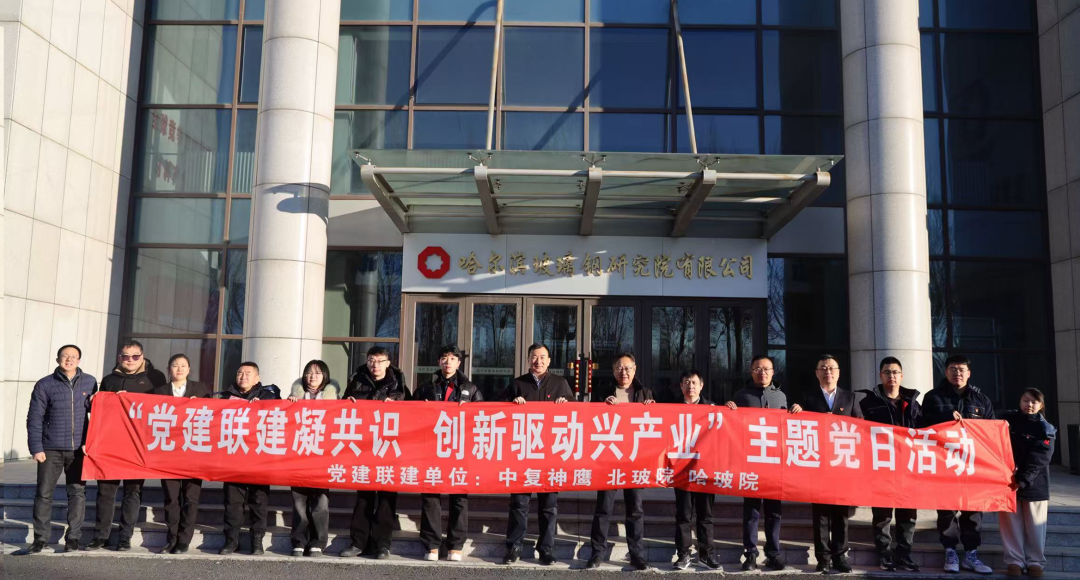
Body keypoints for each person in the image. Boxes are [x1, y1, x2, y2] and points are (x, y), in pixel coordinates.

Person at [87, 339, 168, 551]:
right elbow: (99, 412)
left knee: (133, 492)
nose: (130, 360)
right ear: (119, 357)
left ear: (142, 356)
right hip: (110, 443)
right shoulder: (109, 380)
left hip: (137, 445)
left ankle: (125, 536)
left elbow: (163, 407)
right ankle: (100, 536)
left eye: (135, 356)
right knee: (105, 492)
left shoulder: (155, 378)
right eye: (125, 356)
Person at [919, 354, 994, 575]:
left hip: (973, 465)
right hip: (944, 464)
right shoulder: (933, 397)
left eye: (961, 369)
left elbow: (992, 433)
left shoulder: (981, 399)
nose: (957, 373)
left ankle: (971, 554)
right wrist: (944, 416)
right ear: (946, 372)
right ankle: (950, 551)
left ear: (968, 373)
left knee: (973, 511)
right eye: (953, 369)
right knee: (947, 510)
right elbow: (921, 425)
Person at [502, 343, 573, 566]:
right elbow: (498, 412)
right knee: (519, 503)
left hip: (551, 454)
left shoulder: (560, 384)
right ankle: (514, 546)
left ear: (549, 361)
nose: (538, 361)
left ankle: (546, 548)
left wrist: (566, 405)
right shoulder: (518, 384)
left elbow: (575, 415)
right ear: (528, 359)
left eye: (543, 357)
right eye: (534, 357)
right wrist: (512, 404)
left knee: (549, 505)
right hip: (523, 454)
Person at [413, 345, 482, 562]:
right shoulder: (426, 386)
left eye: (452, 358)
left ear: (459, 363)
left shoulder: (470, 388)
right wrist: (420, 408)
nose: (448, 362)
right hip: (431, 449)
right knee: (430, 497)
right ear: (438, 362)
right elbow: (409, 413)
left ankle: (455, 546)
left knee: (459, 498)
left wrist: (470, 410)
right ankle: (432, 545)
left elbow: (482, 417)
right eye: (444, 358)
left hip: (459, 450)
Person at [794, 354, 862, 573]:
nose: (828, 372)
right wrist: (796, 412)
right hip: (818, 465)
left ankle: (840, 557)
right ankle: (823, 558)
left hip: (842, 464)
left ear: (839, 373)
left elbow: (861, 428)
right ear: (816, 373)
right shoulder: (807, 397)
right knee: (821, 514)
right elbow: (797, 428)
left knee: (841, 514)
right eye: (823, 368)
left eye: (832, 368)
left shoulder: (850, 398)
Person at [585, 353, 653, 571]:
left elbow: (654, 424)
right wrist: (602, 406)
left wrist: (652, 408)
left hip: (635, 458)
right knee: (604, 508)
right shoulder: (603, 392)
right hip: (609, 457)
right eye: (619, 368)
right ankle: (597, 553)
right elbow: (589, 419)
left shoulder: (645, 393)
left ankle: (636, 554)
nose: (624, 372)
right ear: (613, 370)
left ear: (635, 369)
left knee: (635, 508)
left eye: (628, 368)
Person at [339, 346, 408, 559]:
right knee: (363, 497)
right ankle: (358, 542)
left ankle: (382, 545)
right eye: (371, 360)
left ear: (388, 363)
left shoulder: (398, 383)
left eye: (379, 361)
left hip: (389, 448)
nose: (374, 365)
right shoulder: (357, 380)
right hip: (364, 447)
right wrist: (347, 403)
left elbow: (411, 412)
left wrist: (397, 405)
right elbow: (342, 408)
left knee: (387, 498)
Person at [26, 345, 96, 554]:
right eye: (65, 356)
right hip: (50, 449)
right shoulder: (45, 384)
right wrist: (36, 447)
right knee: (44, 494)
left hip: (78, 450)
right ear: (58, 359)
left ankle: (73, 538)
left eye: (74, 356)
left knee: (77, 493)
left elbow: (98, 413)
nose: (69, 359)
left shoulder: (90, 382)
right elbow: (34, 417)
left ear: (79, 360)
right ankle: (40, 539)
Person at [856, 357, 921, 572]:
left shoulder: (913, 403)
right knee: (882, 515)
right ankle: (884, 554)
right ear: (880, 376)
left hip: (908, 467)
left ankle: (904, 554)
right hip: (881, 467)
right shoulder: (868, 403)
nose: (891, 376)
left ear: (901, 376)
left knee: (908, 515)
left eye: (895, 372)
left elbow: (925, 430)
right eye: (886, 372)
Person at [725, 354, 788, 571]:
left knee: (774, 511)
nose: (762, 373)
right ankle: (750, 554)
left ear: (773, 372)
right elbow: (731, 426)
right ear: (751, 372)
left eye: (766, 369)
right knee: (751, 510)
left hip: (774, 462)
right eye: (758, 369)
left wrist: (796, 412)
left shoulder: (781, 397)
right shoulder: (741, 395)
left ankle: (773, 554)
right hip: (750, 461)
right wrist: (728, 410)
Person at [217, 362, 281, 555]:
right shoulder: (225, 397)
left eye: (248, 373)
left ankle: (257, 540)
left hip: (259, 458)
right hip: (233, 457)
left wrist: (262, 406)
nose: (243, 376)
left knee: (259, 502)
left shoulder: (269, 396)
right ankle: (232, 540)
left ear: (257, 378)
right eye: (240, 373)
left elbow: (281, 416)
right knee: (233, 502)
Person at [152, 354, 212, 554]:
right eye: (175, 365)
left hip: (193, 452)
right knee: (171, 498)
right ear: (168, 369)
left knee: (190, 498)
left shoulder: (201, 390)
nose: (179, 369)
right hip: (168, 452)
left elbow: (214, 416)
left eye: (183, 365)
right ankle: (172, 538)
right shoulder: (159, 392)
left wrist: (201, 405)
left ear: (189, 369)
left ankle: (184, 540)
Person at [1000, 388, 1056, 578]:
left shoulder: (1046, 428)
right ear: (1020, 401)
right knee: (1010, 524)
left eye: (1034, 401)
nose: (1029, 405)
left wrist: (1023, 478)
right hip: (1007, 481)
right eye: (1025, 400)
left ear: (1041, 405)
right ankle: (1014, 561)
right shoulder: (1007, 420)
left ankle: (1035, 562)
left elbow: (1041, 457)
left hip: (1035, 484)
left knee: (1036, 525)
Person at [670, 369, 722, 571]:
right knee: (683, 514)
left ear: (701, 386)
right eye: (686, 382)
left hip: (705, 470)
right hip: (682, 470)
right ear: (680, 386)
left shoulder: (713, 409)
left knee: (705, 514)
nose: (690, 386)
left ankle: (706, 555)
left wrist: (729, 409)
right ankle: (683, 554)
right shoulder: (671, 409)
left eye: (694, 383)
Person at [287, 360, 338, 557]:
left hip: (323, 457)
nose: (312, 377)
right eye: (309, 372)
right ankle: (299, 541)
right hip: (299, 455)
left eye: (317, 373)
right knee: (299, 502)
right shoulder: (295, 396)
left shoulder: (334, 398)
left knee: (321, 503)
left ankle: (318, 541)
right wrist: (289, 404)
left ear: (325, 376)